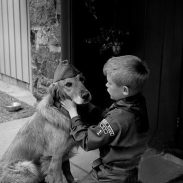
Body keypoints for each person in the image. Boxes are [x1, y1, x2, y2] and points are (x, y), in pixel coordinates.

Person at [61, 55, 150, 183]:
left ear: (124, 90)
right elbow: (113, 119)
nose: (106, 84)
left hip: (111, 176)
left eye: (110, 83)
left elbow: (87, 141)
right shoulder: (138, 102)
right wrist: (91, 108)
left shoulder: (116, 120)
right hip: (130, 168)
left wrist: (73, 112)